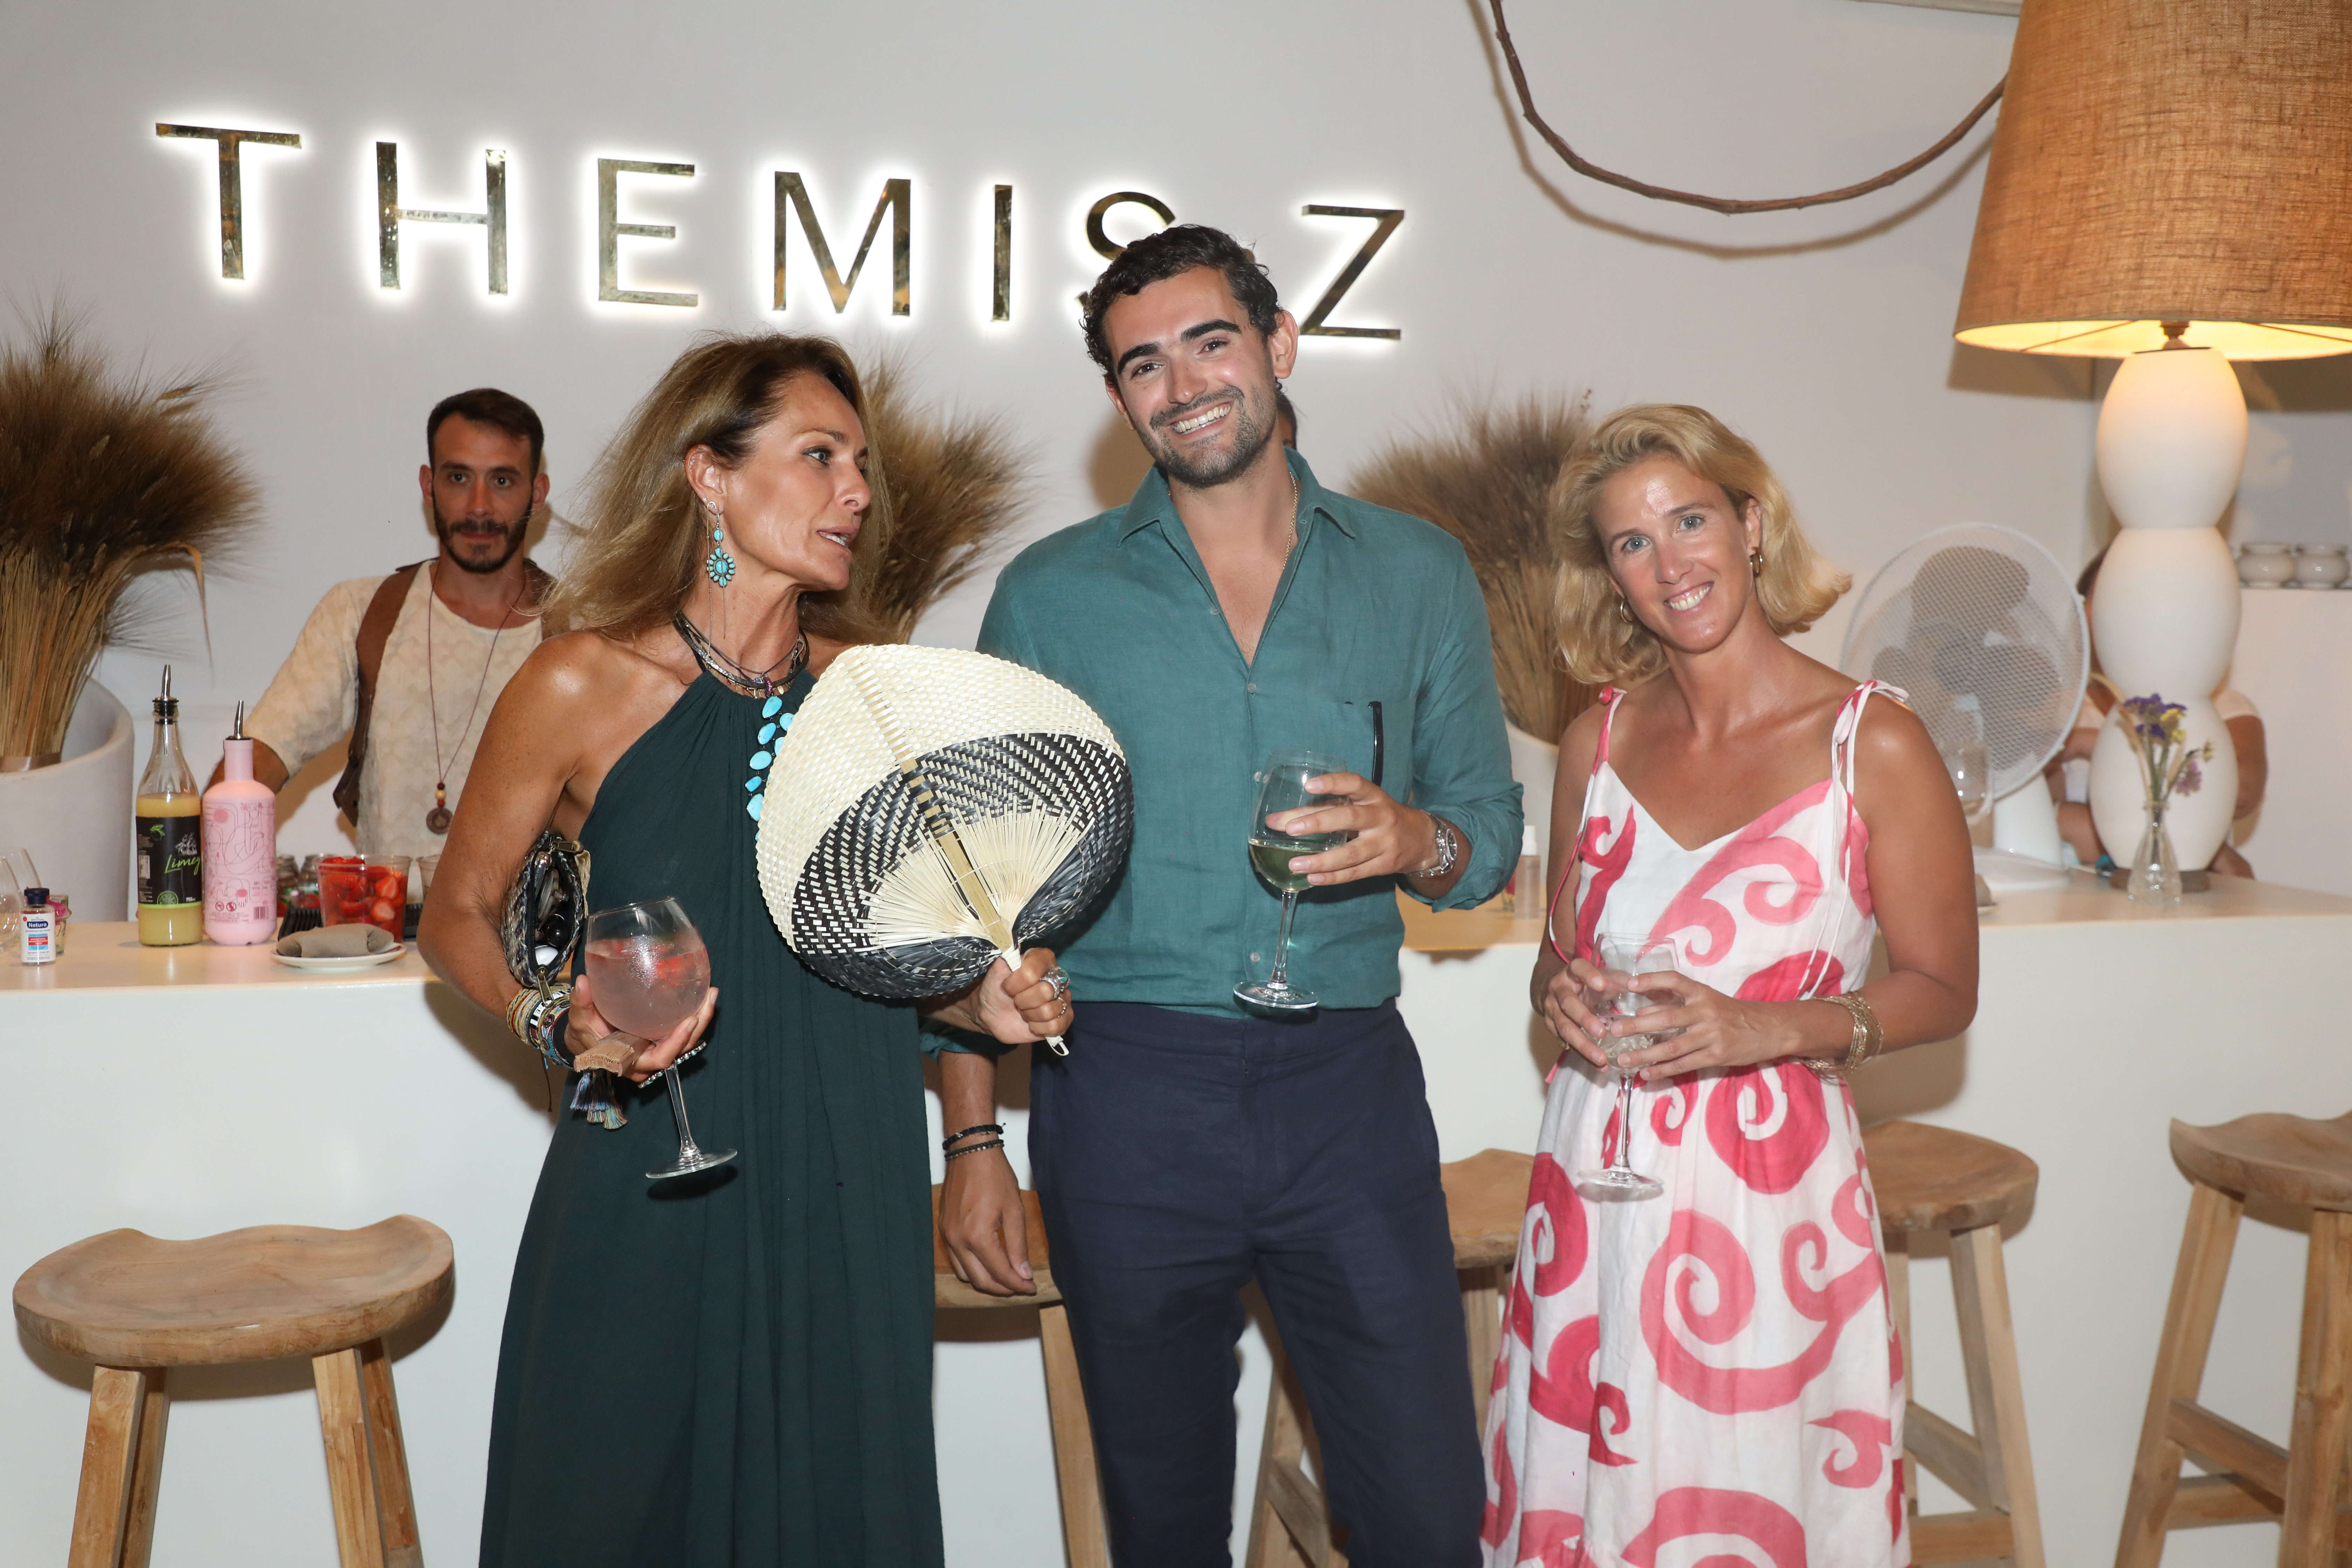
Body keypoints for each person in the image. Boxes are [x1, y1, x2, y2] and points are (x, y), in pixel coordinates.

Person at [413, 334, 1070, 1568]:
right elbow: (454, 913)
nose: (856, 491)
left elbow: (907, 950)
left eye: (860, 464)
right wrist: (550, 1019)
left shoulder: (878, 697)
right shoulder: (582, 681)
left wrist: (987, 998)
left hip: (847, 1172)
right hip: (653, 1158)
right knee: (617, 1500)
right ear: (709, 474)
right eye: (819, 456)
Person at [952, 224, 1523, 1566]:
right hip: (1125, 1094)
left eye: (1210, 342)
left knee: (1428, 1519)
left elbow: (1488, 844)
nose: (1181, 383)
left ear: (1278, 344)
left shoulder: (1416, 570)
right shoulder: (1050, 596)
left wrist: (1413, 838)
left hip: (1346, 1095)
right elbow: (974, 898)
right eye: (1141, 364)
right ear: (1118, 397)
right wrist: (972, 1142)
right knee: (1162, 1528)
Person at [1483, 405, 1977, 1567]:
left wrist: (1768, 1027)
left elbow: (1944, 989)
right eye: (1633, 543)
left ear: (1751, 526)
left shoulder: (1872, 744)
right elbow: (1562, 955)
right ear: (1611, 576)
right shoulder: (1597, 742)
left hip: (1769, 1202)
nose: (1671, 565)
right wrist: (1556, 994)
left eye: (1690, 522)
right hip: (1591, 1187)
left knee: (1745, 1498)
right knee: (1579, 1494)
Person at [226, 388, 556, 859]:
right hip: (383, 907)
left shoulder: (584, 630)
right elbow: (257, 763)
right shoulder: (359, 612)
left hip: (527, 910)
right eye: (459, 477)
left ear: (537, 494)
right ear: (429, 485)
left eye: (502, 481)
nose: (479, 505)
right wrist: (202, 862)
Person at [2049, 550, 2267, 876]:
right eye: (2112, 597)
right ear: (2083, 611)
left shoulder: (2223, 707)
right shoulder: (2059, 708)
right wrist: (2210, 851)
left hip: (2191, 895)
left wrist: (2089, 743)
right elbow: (2046, 817)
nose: (2128, 613)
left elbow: (2241, 796)